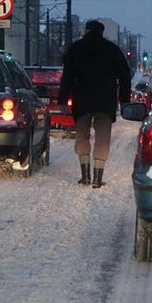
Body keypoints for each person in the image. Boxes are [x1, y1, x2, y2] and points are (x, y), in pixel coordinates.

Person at [58, 20, 131, 188]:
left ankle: (85, 175)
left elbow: (67, 76)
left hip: (82, 100)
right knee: (103, 138)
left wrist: (62, 100)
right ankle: (98, 176)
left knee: (82, 136)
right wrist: (124, 99)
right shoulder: (112, 49)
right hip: (105, 102)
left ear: (86, 31)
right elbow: (124, 75)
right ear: (101, 32)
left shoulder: (75, 48)